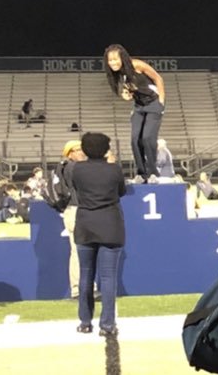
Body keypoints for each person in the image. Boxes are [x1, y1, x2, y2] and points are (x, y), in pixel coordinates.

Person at [70, 132, 128, 336]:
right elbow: (121, 191)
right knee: (108, 277)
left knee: (86, 275)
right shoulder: (114, 170)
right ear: (106, 149)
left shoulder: (77, 169)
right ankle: (107, 324)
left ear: (85, 149)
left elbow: (76, 189)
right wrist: (110, 164)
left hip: (85, 224)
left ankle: (85, 321)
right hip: (110, 225)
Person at [104, 44, 166, 182]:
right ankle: (141, 173)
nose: (113, 63)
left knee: (148, 138)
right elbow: (130, 89)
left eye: (116, 59)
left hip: (153, 102)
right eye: (110, 60)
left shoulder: (137, 64)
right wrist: (126, 94)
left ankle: (153, 173)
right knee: (134, 139)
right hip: (139, 106)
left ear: (123, 58)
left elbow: (158, 78)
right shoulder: (120, 73)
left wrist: (161, 101)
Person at [57, 140, 93, 299]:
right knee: (80, 250)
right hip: (76, 209)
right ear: (70, 152)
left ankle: (81, 287)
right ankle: (80, 288)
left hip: (73, 209)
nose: (82, 153)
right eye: (78, 150)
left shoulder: (63, 166)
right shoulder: (72, 167)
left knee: (79, 250)